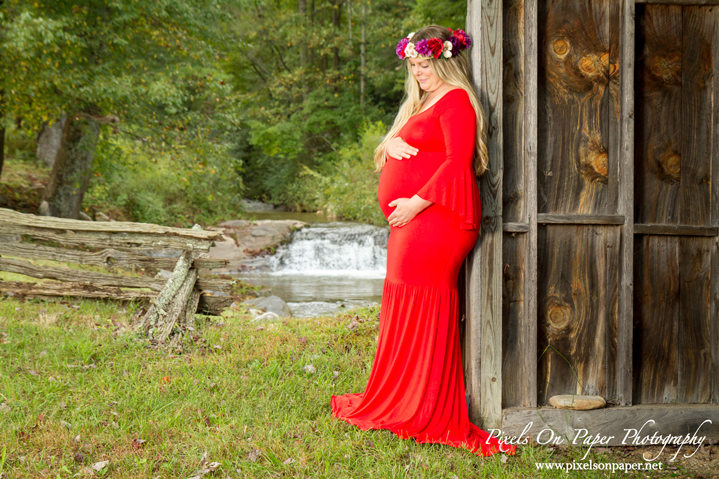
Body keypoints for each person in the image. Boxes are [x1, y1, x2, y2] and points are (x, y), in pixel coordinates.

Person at [330, 25, 516, 457]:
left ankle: (423, 407)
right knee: (402, 299)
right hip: (416, 219)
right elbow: (415, 148)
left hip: (440, 218)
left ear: (445, 61)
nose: (418, 73)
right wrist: (392, 141)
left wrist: (414, 203)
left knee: (423, 303)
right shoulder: (424, 100)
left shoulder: (456, 100)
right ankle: (398, 396)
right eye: (413, 66)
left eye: (425, 65)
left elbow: (457, 161)